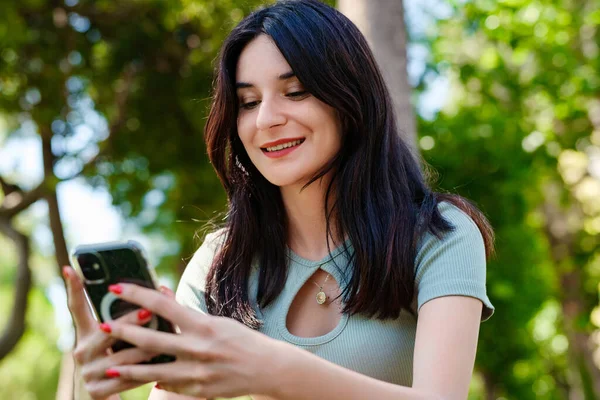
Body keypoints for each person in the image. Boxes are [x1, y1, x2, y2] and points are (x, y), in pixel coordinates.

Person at [63, 0, 495, 399]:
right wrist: (111, 385)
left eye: (295, 91)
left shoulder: (440, 236)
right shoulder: (220, 263)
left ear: (351, 98)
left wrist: (271, 367)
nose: (266, 119)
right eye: (248, 102)